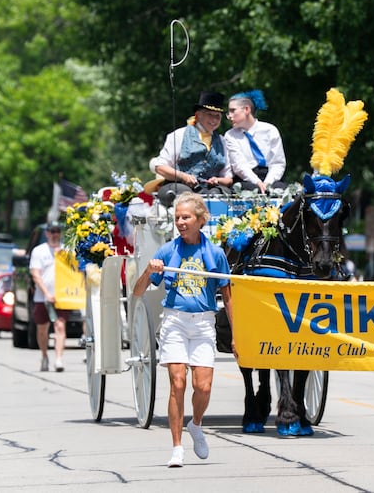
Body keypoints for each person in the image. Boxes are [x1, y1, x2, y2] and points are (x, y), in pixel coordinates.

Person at [132, 192, 234, 468]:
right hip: (175, 322)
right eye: (177, 217)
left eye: (186, 217)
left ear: (200, 220)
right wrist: (147, 271)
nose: (180, 222)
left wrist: (235, 335)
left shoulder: (215, 254)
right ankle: (177, 448)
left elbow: (228, 296)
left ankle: (196, 425)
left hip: (203, 324)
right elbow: (138, 292)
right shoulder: (167, 251)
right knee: (177, 383)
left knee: (203, 386)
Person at [149, 91, 233, 204]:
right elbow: (160, 167)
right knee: (187, 197)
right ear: (198, 115)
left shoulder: (222, 141)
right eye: (210, 114)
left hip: (208, 190)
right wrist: (182, 176)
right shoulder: (178, 135)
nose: (214, 120)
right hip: (180, 186)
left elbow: (228, 178)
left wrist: (218, 180)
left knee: (217, 195)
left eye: (217, 116)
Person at [224, 89, 287, 193]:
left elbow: (277, 163)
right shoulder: (230, 135)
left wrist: (267, 183)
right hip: (246, 179)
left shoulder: (270, 130)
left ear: (247, 109)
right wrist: (257, 182)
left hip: (269, 176)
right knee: (253, 191)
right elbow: (239, 166)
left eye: (233, 110)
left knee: (283, 191)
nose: (229, 116)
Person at [29, 222, 71, 372]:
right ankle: (44, 355)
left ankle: (58, 359)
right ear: (47, 233)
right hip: (42, 297)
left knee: (60, 326)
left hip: (62, 296)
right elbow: (35, 274)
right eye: (52, 231)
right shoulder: (39, 251)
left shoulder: (66, 250)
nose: (55, 234)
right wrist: (47, 294)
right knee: (42, 329)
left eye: (57, 231)